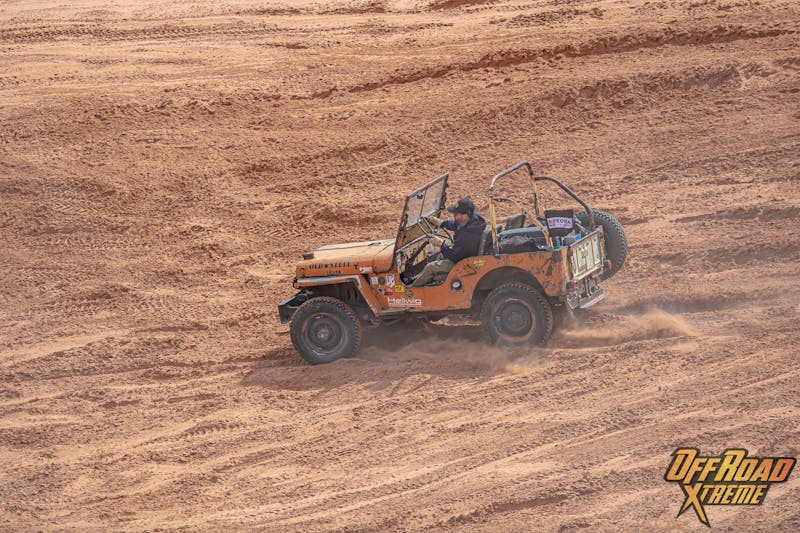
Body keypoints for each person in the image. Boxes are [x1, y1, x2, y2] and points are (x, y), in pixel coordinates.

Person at [411, 198, 487, 287]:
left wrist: (441, 244)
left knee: (430, 268)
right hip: (465, 256)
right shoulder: (473, 220)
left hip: (463, 263)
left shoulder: (468, 237)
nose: (454, 216)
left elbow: (454, 257)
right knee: (438, 256)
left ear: (464, 216)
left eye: (455, 214)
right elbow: (456, 224)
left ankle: (411, 291)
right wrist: (442, 223)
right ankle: (417, 278)